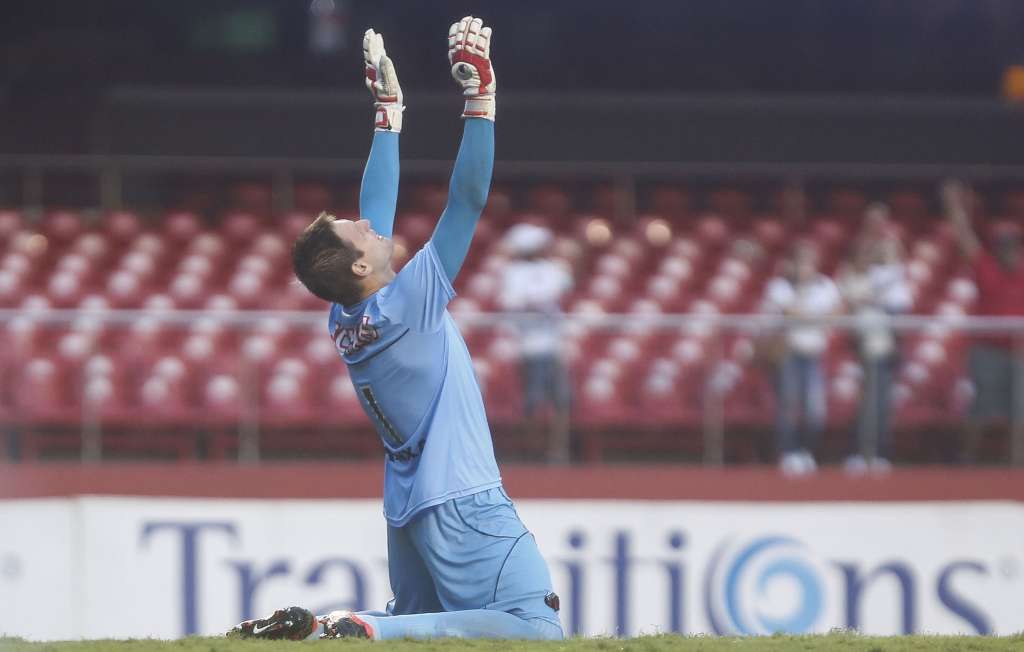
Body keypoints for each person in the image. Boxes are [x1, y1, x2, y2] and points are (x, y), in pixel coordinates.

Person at [230, 20, 563, 641]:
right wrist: (479, 99)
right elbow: (466, 200)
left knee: (420, 623)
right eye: (361, 233)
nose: (370, 225)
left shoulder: (347, 314)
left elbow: (376, 204)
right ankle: (370, 627)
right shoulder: (410, 303)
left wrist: (389, 114)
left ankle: (326, 626)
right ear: (361, 265)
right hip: (464, 498)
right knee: (535, 628)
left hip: (407, 510)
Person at [943, 180, 1024, 464]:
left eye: (1013, 244)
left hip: (1020, 351)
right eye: (1003, 244)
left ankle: (1018, 463)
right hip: (988, 350)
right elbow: (964, 238)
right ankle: (968, 459)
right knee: (980, 407)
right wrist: (954, 206)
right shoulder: (985, 266)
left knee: (1022, 410)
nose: (1008, 249)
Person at [838, 204, 912, 472]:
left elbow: (898, 304)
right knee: (864, 403)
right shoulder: (861, 272)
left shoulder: (895, 275)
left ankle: (879, 452)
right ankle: (859, 451)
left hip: (887, 345)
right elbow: (852, 297)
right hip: (862, 345)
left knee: (882, 403)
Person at [761, 242, 843, 475]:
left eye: (809, 262)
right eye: (800, 262)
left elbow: (836, 312)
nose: (805, 267)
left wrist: (808, 317)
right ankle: (788, 452)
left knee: (814, 408)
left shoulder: (825, 285)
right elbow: (788, 311)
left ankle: (807, 452)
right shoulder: (781, 285)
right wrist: (814, 316)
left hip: (813, 352)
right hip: (788, 351)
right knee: (788, 404)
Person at [497, 224, 573, 462]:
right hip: (527, 346)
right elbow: (513, 303)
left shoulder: (553, 269)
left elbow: (559, 288)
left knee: (561, 399)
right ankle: (531, 450)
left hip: (553, 344)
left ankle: (557, 451)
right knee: (531, 401)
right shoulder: (511, 272)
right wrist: (535, 302)